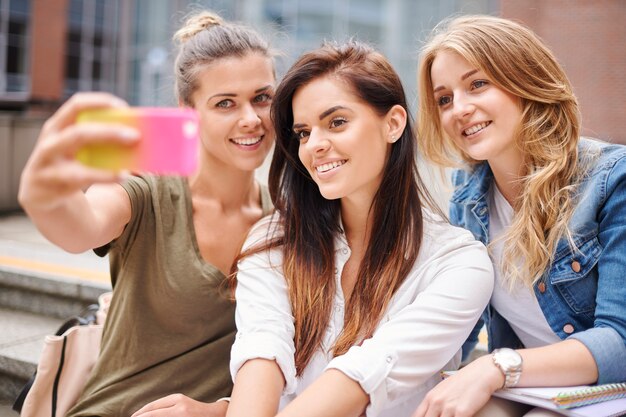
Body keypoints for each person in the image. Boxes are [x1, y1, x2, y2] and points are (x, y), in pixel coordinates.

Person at [210, 41, 492, 417]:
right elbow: (262, 353)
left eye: (337, 122)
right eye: (304, 133)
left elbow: (360, 376)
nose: (314, 146)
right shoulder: (273, 240)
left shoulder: (457, 265)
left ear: (392, 123)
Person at [17, 11, 275, 417]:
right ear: (188, 110)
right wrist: (44, 190)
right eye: (225, 103)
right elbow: (80, 226)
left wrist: (220, 410)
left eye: (262, 97)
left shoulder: (283, 218)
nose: (251, 119)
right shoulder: (146, 190)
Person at [413, 15, 626, 417]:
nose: (460, 108)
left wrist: (497, 366)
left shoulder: (612, 180)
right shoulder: (468, 199)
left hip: (603, 392)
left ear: (524, 81)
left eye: (478, 84)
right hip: (532, 388)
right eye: (444, 98)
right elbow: (457, 328)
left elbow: (620, 342)